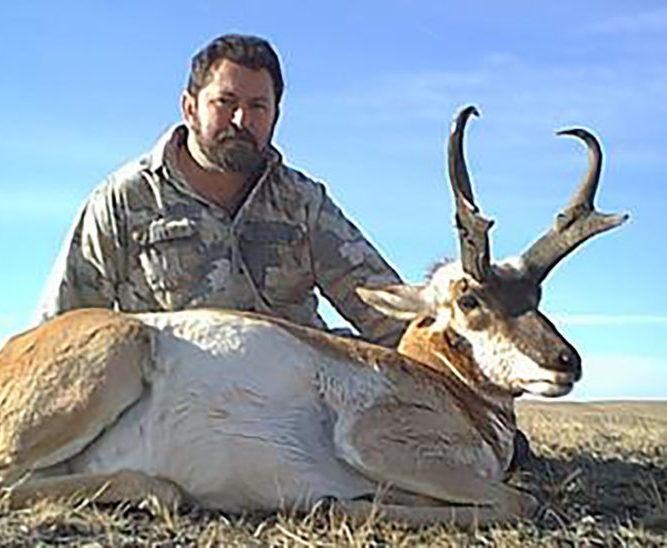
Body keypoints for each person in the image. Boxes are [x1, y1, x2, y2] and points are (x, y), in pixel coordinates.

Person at [35, 33, 406, 346]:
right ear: (190, 108)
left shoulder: (303, 202)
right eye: (225, 103)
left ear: (276, 114)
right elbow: (62, 333)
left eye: (258, 106)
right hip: (171, 410)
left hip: (297, 408)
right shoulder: (123, 200)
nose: (242, 120)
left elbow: (388, 312)